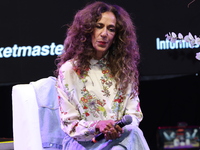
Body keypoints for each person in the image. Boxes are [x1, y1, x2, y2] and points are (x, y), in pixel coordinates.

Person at [55, 1, 149, 150]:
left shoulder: (125, 70)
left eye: (111, 29)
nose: (104, 34)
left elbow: (134, 115)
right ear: (87, 30)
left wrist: (118, 129)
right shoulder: (69, 70)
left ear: (117, 36)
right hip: (85, 142)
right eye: (99, 26)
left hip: (120, 139)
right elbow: (70, 124)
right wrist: (97, 126)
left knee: (129, 137)